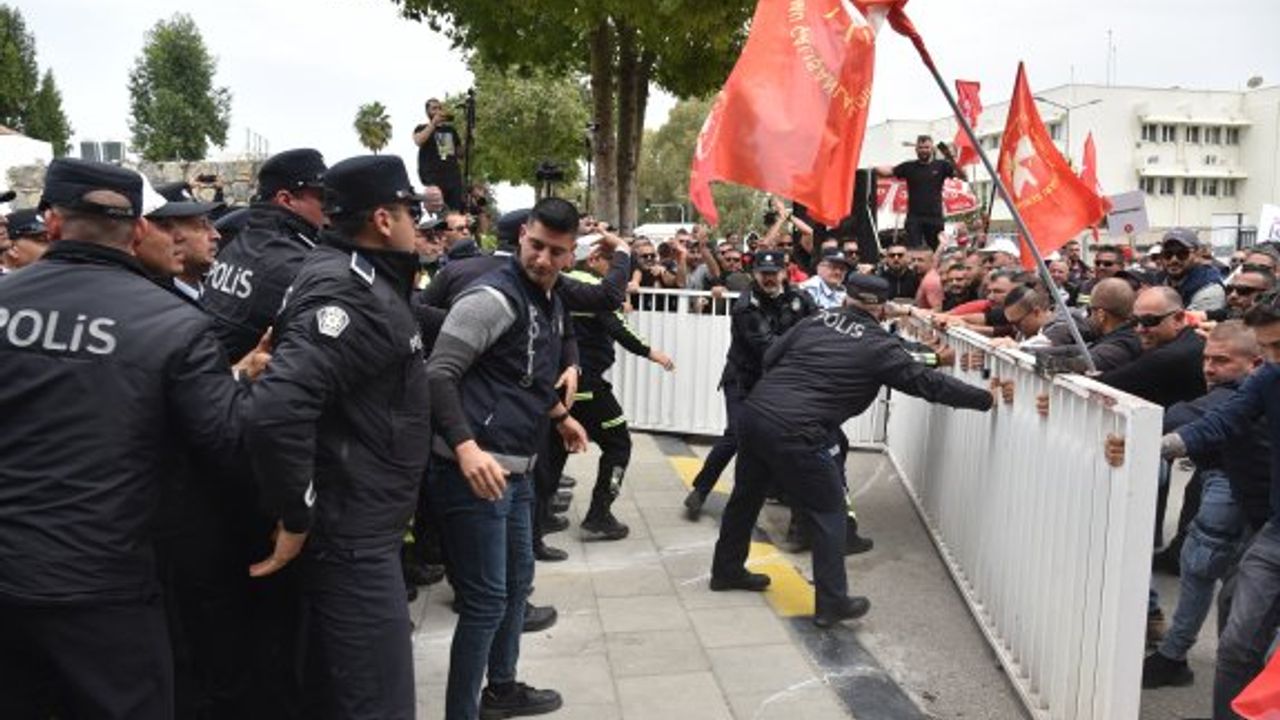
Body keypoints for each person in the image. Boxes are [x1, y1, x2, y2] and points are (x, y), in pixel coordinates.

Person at [0, 159, 259, 719]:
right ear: (140, 229)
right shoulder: (172, 323)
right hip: (104, 584)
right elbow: (229, 443)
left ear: (51, 224)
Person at [246, 154, 433, 719]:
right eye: (409, 212)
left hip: (363, 525)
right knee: (379, 704)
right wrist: (297, 517)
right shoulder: (348, 291)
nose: (416, 225)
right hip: (351, 537)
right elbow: (277, 408)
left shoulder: (362, 277)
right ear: (382, 219)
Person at [709, 274, 994, 627]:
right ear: (881, 308)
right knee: (829, 513)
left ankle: (726, 570)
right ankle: (832, 602)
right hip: (801, 431)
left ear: (847, 299)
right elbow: (927, 383)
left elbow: (771, 356)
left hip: (757, 416)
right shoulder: (879, 345)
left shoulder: (815, 320)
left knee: (745, 497)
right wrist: (984, 399)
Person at [425, 197, 591, 720]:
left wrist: (561, 417)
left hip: (516, 472)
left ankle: (501, 689)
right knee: (485, 601)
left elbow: (525, 373)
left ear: (570, 254)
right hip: (471, 472)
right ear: (521, 236)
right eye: (536, 245)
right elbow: (437, 374)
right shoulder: (491, 298)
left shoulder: (550, 298)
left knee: (518, 584)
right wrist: (465, 447)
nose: (542, 258)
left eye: (556, 251)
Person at [1160, 291, 1280, 720]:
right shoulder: (1269, 378)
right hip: (1273, 532)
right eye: (1268, 350)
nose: (1273, 360)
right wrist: (1159, 446)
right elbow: (1222, 420)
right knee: (1236, 642)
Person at [536, 238, 675, 541]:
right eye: (612, 260)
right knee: (618, 444)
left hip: (557, 386)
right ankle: (600, 515)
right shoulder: (589, 286)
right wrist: (654, 353)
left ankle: (540, 514)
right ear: (594, 257)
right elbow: (617, 329)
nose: (616, 269)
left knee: (556, 446)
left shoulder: (559, 284)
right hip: (587, 386)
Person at [684, 250, 817, 518]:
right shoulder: (746, 306)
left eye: (773, 273)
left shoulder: (801, 299)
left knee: (784, 436)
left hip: (780, 382)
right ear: (754, 274)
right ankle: (700, 489)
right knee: (736, 434)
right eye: (763, 273)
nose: (768, 278)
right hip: (744, 379)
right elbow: (768, 349)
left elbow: (819, 328)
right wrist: (801, 345)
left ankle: (780, 491)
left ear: (784, 272)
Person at [203, 148, 329, 360]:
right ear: (286, 200)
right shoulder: (295, 263)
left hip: (215, 373)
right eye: (322, 197)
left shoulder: (240, 242)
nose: (329, 207)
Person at [875, 135, 966, 250]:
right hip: (914, 218)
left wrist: (951, 159)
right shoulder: (909, 167)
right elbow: (888, 172)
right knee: (914, 249)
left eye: (926, 147)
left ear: (932, 148)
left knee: (937, 249)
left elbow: (963, 177)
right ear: (916, 149)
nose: (923, 150)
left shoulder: (942, 165)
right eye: (921, 147)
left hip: (935, 217)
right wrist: (870, 166)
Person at [152, 181, 224, 299]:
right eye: (202, 225)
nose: (216, 235)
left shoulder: (215, 292)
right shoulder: (160, 300)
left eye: (211, 224)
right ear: (168, 233)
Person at [413, 97, 465, 210]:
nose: (438, 111)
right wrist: (433, 124)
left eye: (440, 108)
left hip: (452, 177)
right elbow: (418, 141)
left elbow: (460, 153)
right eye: (434, 108)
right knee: (440, 213)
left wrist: (469, 138)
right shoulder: (421, 128)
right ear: (427, 112)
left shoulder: (449, 130)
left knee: (455, 211)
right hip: (433, 179)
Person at [1161, 228, 1225, 313]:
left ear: (1197, 254)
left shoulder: (1209, 289)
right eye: (1167, 254)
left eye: (1182, 253)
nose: (1174, 260)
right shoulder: (1159, 280)